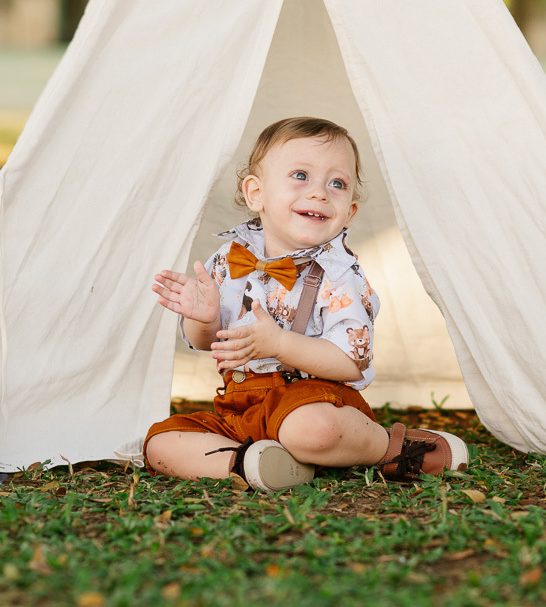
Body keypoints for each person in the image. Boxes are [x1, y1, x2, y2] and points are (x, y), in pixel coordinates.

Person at [144, 117, 469, 491]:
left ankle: (391, 447)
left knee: (312, 430)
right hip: (241, 409)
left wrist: (279, 344)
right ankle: (251, 463)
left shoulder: (340, 275)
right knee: (160, 443)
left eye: (337, 183)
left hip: (316, 400)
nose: (319, 192)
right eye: (301, 175)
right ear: (255, 194)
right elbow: (205, 341)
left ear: (349, 212)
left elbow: (351, 362)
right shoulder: (228, 258)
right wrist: (205, 318)